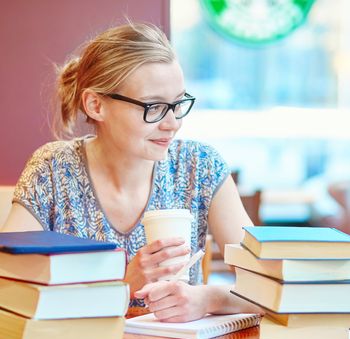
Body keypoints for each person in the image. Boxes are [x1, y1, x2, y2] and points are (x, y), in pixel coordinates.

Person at [1, 22, 261, 322]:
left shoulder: (200, 166)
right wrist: (123, 285)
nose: (172, 123)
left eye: (178, 104)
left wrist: (209, 298)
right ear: (96, 105)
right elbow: (8, 292)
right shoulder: (52, 171)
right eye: (153, 107)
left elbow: (269, 287)